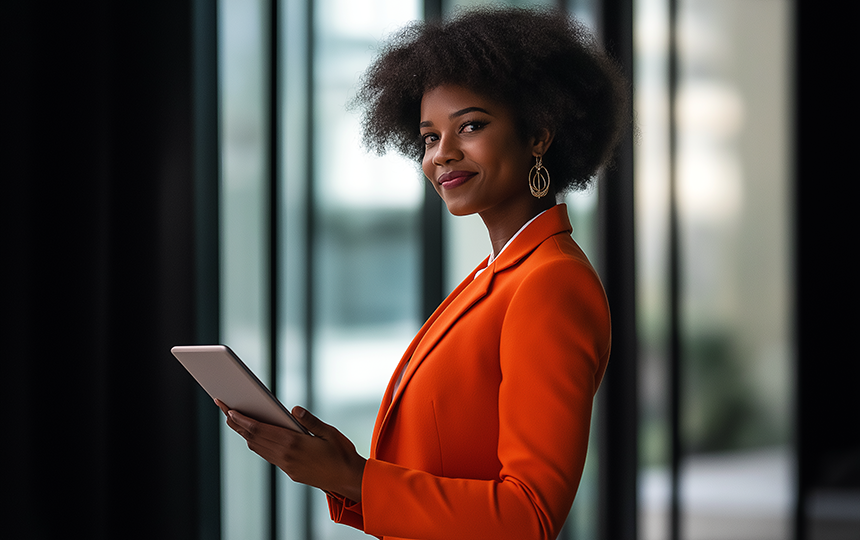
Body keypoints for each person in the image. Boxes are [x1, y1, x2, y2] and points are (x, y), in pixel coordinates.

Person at [217, 6, 629, 539]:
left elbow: (528, 517)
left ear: (539, 137)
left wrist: (356, 477)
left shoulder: (549, 283)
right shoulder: (497, 276)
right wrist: (343, 475)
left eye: (471, 126)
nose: (443, 155)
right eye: (429, 137)